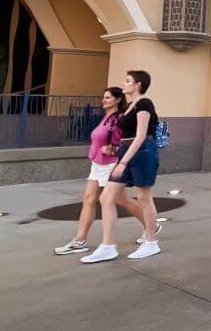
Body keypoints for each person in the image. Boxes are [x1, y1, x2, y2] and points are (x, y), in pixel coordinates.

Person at [81, 69, 162, 263]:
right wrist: (117, 151)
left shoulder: (144, 103)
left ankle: (151, 242)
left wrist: (123, 161)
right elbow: (127, 136)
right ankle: (108, 246)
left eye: (128, 81)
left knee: (143, 197)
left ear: (138, 85)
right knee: (107, 197)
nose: (124, 84)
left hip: (143, 152)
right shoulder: (129, 107)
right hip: (127, 151)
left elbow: (141, 135)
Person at [55, 87, 144, 255]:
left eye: (108, 97)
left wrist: (115, 153)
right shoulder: (106, 118)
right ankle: (80, 241)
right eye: (103, 97)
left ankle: (150, 226)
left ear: (118, 100)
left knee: (119, 200)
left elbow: (124, 142)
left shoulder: (118, 119)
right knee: (88, 199)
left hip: (110, 164)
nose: (104, 100)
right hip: (97, 164)